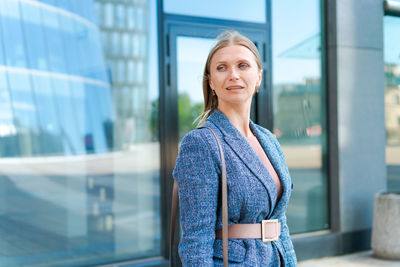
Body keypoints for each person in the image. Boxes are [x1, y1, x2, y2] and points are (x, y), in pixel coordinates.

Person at [173, 30, 297, 266]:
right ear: (211, 81)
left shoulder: (268, 139)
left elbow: (280, 222)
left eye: (242, 65)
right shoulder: (200, 143)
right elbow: (195, 242)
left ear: (258, 77)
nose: (233, 75)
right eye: (222, 68)